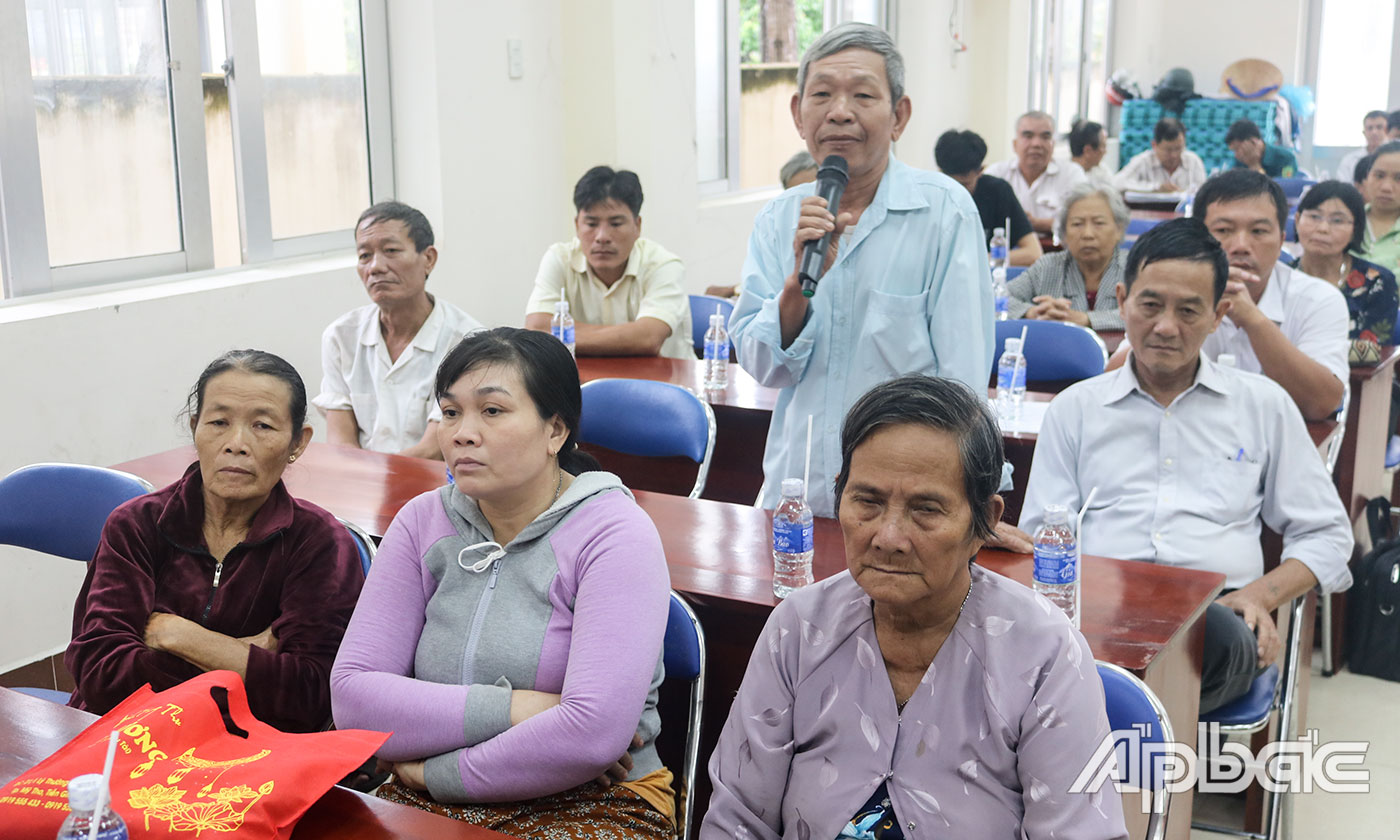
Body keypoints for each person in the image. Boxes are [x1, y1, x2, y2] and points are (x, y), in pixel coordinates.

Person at [702, 375, 1128, 840]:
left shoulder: (1042, 652)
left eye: (926, 509)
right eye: (867, 500)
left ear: (985, 521)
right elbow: (737, 819)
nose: (888, 537)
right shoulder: (800, 629)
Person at [330, 327, 674, 837]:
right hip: (422, 795)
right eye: (450, 413)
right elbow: (353, 700)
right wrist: (524, 708)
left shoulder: (614, 533)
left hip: (593, 797)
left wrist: (434, 770)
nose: (462, 433)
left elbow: (591, 739)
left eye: (492, 411)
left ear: (556, 430)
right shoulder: (421, 521)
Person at [1018, 219, 1352, 714]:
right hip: (1098, 611)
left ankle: (1100, 732)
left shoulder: (1263, 406)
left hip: (1215, 617)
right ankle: (1113, 735)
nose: (1166, 326)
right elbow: (1043, 532)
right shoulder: (1076, 408)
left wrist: (1260, 597)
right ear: (1123, 298)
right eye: (1150, 305)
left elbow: (1327, 533)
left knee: (1210, 644)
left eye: (1189, 310)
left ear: (1219, 315)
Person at [729, 23, 995, 519]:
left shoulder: (943, 212)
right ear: (798, 113)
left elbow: (964, 377)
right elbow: (764, 366)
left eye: (863, 95)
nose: (839, 112)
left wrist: (974, 504)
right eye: (823, 94)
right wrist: (796, 290)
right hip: (799, 495)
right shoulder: (778, 219)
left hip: (904, 505)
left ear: (899, 115)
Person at [67, 350, 364, 733]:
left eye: (263, 426)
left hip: (249, 755)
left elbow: (308, 698)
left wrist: (178, 635)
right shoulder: (136, 525)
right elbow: (101, 674)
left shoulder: (321, 543)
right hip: (124, 737)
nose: (236, 443)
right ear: (195, 428)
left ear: (298, 442)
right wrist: (243, 656)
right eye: (219, 422)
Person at [1109, 170, 1348, 421]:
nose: (1241, 246)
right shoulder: (1175, 292)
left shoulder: (1319, 299)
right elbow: (1113, 381)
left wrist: (1252, 319)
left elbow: (1323, 403)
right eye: (1224, 230)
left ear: (1281, 241)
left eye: (1258, 231)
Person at [315, 202, 483, 459]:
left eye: (391, 251)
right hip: (361, 484)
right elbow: (341, 442)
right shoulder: (341, 337)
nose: (375, 267)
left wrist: (378, 483)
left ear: (428, 259)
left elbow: (435, 448)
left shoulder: (466, 341)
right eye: (364, 256)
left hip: (436, 485)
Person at [524, 166, 692, 359]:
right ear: (577, 225)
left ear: (637, 226)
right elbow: (536, 328)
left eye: (615, 224)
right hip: (588, 381)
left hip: (665, 385)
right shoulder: (559, 259)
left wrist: (562, 335)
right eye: (591, 224)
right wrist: (629, 335)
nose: (602, 237)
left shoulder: (664, 265)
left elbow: (648, 338)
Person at [1287, 180, 1397, 352]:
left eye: (1337, 221)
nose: (1323, 228)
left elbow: (1373, 351)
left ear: (1355, 230)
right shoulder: (1280, 276)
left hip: (1357, 377)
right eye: (1314, 217)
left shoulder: (1378, 281)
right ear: (1298, 220)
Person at [1008, 182, 1129, 330]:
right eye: (1077, 224)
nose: (1087, 234)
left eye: (1099, 223)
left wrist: (1087, 319)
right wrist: (1032, 312)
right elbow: (997, 299)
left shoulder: (1134, 269)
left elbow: (1149, 313)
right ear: (1063, 234)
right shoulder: (1047, 266)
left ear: (1119, 229)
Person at [934, 128, 1043, 266]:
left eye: (964, 185)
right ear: (940, 173)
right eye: (952, 184)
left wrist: (978, 260)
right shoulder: (931, 196)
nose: (958, 193)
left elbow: (1033, 253)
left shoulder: (998, 191)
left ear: (980, 171)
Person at [986, 111, 1088, 234]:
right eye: (1028, 136)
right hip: (1007, 251)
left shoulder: (1071, 174)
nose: (1036, 144)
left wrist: (1039, 224)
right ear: (1015, 144)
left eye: (1045, 137)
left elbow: (1084, 220)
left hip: (1058, 250)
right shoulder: (996, 173)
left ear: (1053, 144)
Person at [1113, 118, 1207, 194]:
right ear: (1154, 145)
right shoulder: (1143, 161)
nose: (1174, 155)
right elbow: (1116, 183)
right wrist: (1156, 188)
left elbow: (1203, 193)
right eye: (1168, 150)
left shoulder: (1193, 161)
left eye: (1178, 149)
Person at [1361, 141, 1400, 275]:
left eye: (1399, 178)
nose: (1386, 187)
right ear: (1367, 177)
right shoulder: (1347, 221)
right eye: (1379, 176)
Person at [1225, 119, 1298, 178]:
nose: (1236, 155)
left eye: (1237, 149)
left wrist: (1254, 166)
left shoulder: (1286, 158)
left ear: (1253, 142)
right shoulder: (1240, 161)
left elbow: (1285, 187)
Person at [1337, 111, 1389, 184]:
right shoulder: (1349, 161)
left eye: (1379, 127)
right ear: (1364, 133)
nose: (1374, 132)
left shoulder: (1396, 158)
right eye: (1370, 128)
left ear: (1388, 131)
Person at [1069, 119, 1112, 185]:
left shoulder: (1102, 171)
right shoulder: (1066, 177)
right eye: (1103, 146)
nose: (1105, 152)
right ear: (1088, 151)